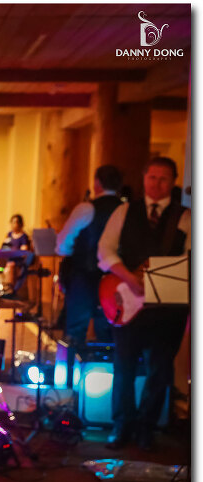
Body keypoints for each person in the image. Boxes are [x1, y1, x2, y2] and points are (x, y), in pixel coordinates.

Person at [98, 157, 190, 451]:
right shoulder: (125, 211)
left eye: (163, 179)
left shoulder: (186, 217)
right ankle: (121, 425)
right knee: (123, 367)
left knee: (159, 370)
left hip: (168, 308)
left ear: (173, 182)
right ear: (143, 178)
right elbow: (105, 251)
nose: (157, 183)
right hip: (127, 301)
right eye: (152, 177)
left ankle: (146, 428)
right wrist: (129, 277)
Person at [56, 165, 123, 387]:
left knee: (75, 332)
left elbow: (62, 245)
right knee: (109, 334)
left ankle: (69, 386)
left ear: (97, 183)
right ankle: (108, 387)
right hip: (114, 281)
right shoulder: (126, 210)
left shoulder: (86, 209)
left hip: (84, 278)